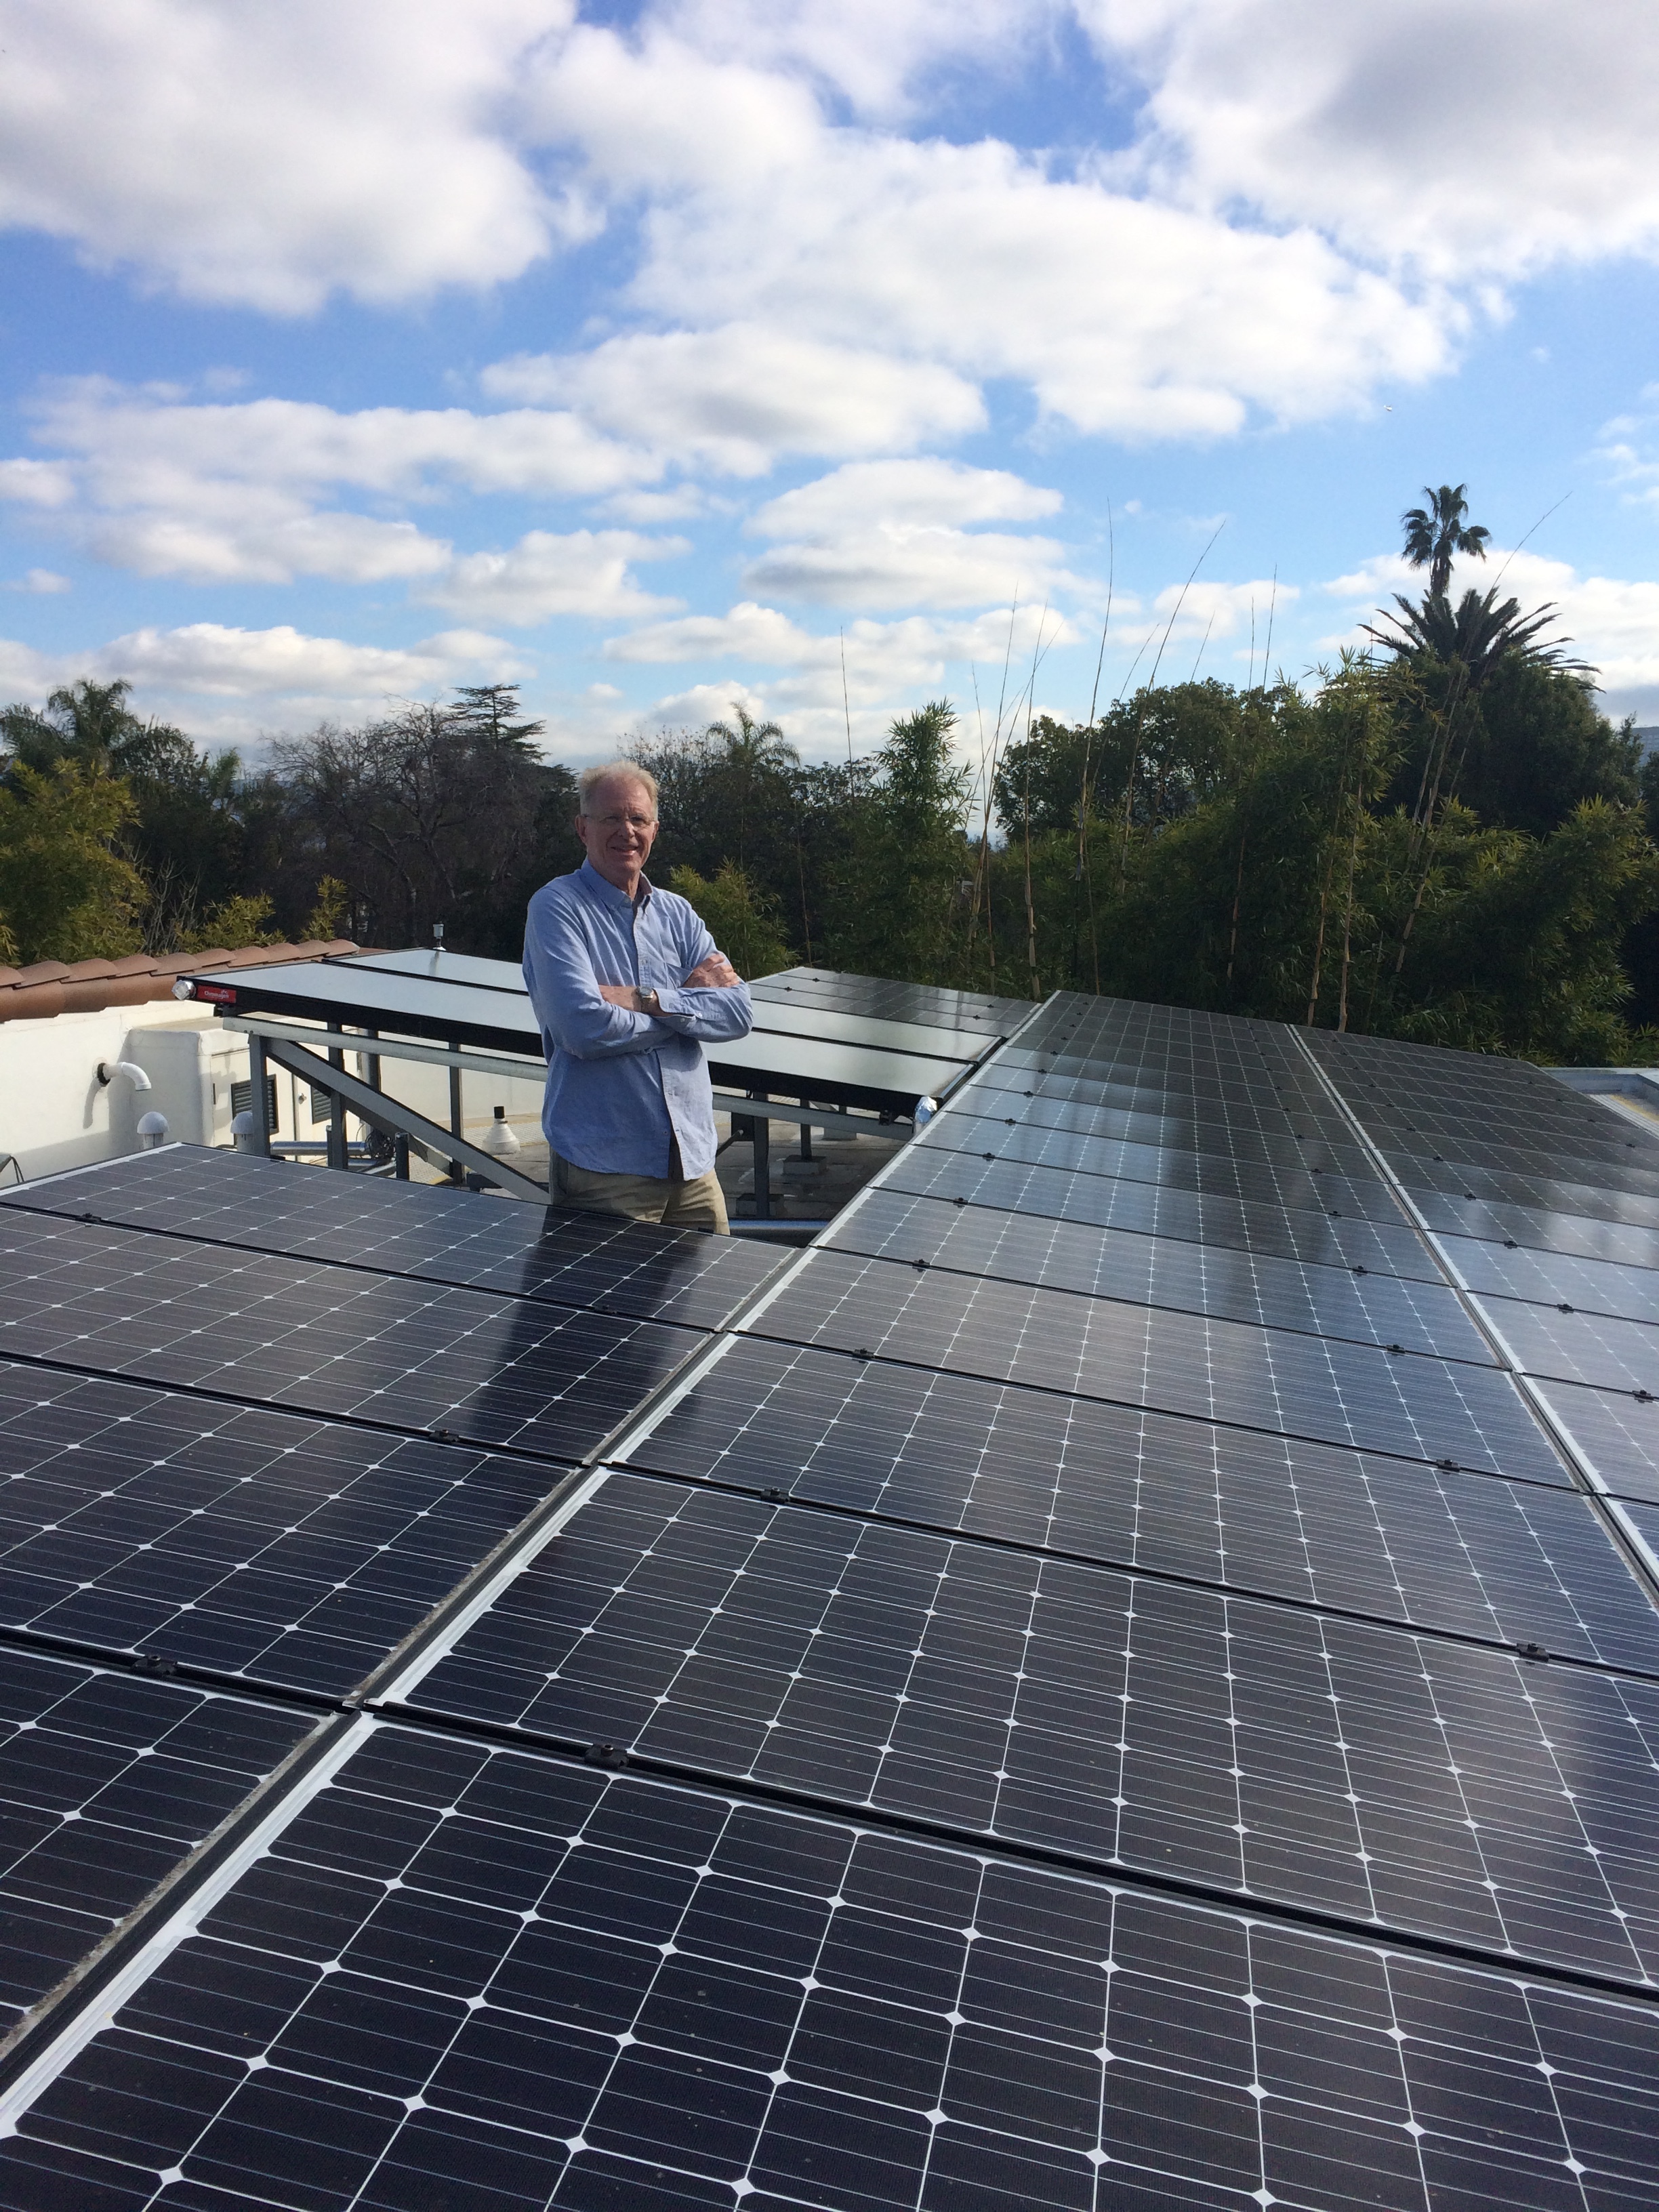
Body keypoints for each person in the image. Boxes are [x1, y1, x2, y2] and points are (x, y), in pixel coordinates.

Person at [523, 759, 753, 1233]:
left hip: (692, 1164)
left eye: (638, 819)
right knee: (609, 1306)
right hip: (605, 1172)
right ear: (582, 828)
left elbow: (737, 1014)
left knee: (710, 1304)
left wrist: (645, 999)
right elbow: (582, 1028)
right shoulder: (557, 907)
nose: (626, 830)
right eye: (611, 818)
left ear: (654, 829)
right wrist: (685, 1007)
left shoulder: (677, 913)